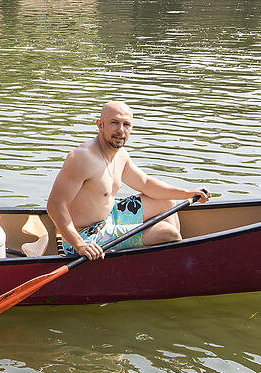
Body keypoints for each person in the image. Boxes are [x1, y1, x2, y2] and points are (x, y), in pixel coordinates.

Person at [47, 100, 210, 259]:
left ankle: (169, 257)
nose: (120, 130)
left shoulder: (121, 155)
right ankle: (171, 257)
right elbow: (55, 206)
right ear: (100, 124)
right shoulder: (82, 158)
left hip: (109, 217)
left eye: (126, 124)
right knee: (168, 232)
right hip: (86, 237)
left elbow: (145, 183)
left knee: (167, 202)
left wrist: (188, 193)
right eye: (114, 123)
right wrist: (80, 245)